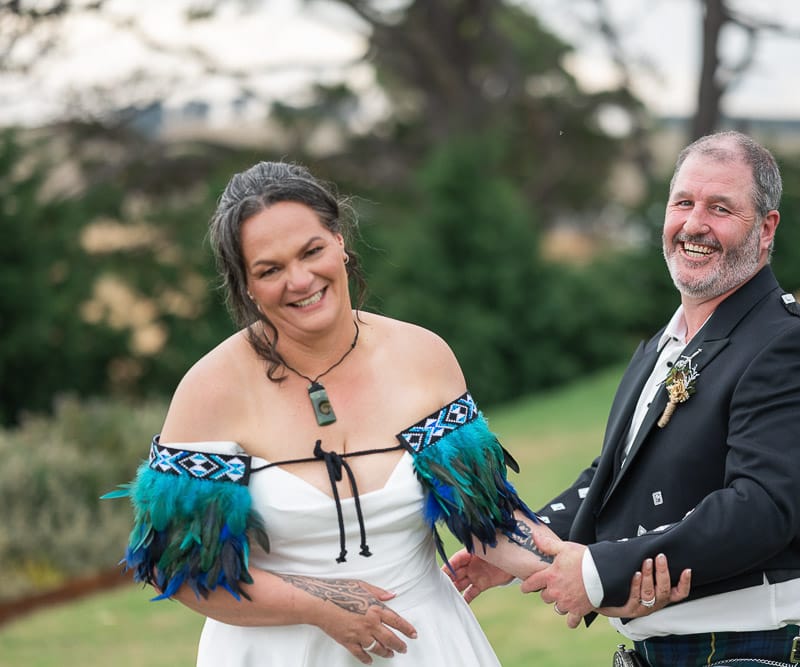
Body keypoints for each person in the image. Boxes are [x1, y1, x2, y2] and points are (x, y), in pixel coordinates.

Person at [104, 160, 672, 666]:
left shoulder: (424, 358)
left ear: (340, 242)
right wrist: (320, 606)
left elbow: (486, 524)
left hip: (426, 645)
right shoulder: (209, 391)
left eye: (311, 251)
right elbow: (179, 572)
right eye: (270, 269)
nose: (300, 281)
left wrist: (587, 571)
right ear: (246, 285)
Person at [448, 131, 800, 667]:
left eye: (721, 208)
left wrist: (600, 572)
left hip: (756, 653)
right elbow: (615, 476)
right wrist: (522, 551)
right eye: (683, 203)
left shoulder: (793, 346)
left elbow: (759, 510)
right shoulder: (661, 346)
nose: (695, 224)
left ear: (766, 229)